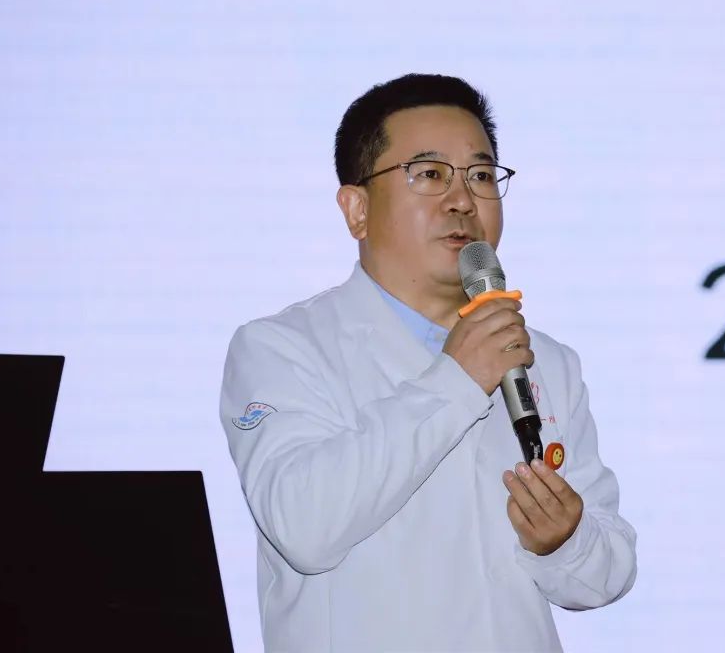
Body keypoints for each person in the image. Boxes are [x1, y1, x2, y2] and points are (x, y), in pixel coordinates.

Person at [219, 73, 637, 652]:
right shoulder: (281, 348)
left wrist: (564, 541)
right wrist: (458, 378)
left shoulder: (547, 361)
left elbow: (608, 573)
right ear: (357, 209)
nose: (462, 200)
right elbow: (302, 525)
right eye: (431, 174)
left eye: (481, 176)